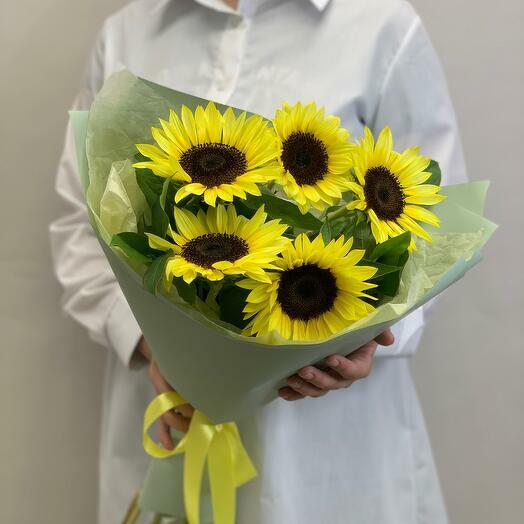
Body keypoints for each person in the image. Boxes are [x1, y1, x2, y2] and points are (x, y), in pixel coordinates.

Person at [50, 0, 467, 522]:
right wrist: (150, 341)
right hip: (168, 417)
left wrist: (368, 342)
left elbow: (439, 229)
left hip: (329, 442)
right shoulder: (128, 33)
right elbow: (78, 222)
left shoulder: (381, 27)